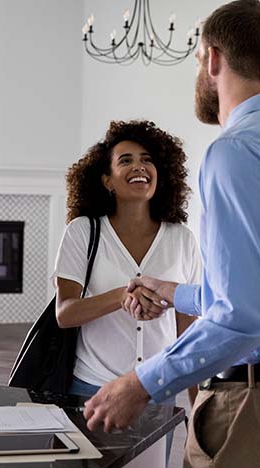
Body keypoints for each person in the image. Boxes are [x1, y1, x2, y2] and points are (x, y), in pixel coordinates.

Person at [82, 1, 260, 468]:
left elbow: (249, 316)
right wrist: (175, 292)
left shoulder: (237, 151)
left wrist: (141, 382)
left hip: (257, 416)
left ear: (212, 59)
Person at [54, 120, 201, 405]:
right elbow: (65, 314)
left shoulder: (182, 239)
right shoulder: (82, 231)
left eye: (147, 160)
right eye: (126, 160)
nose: (139, 167)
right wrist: (123, 295)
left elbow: (188, 327)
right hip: (93, 389)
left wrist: (197, 407)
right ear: (107, 180)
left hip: (159, 389)